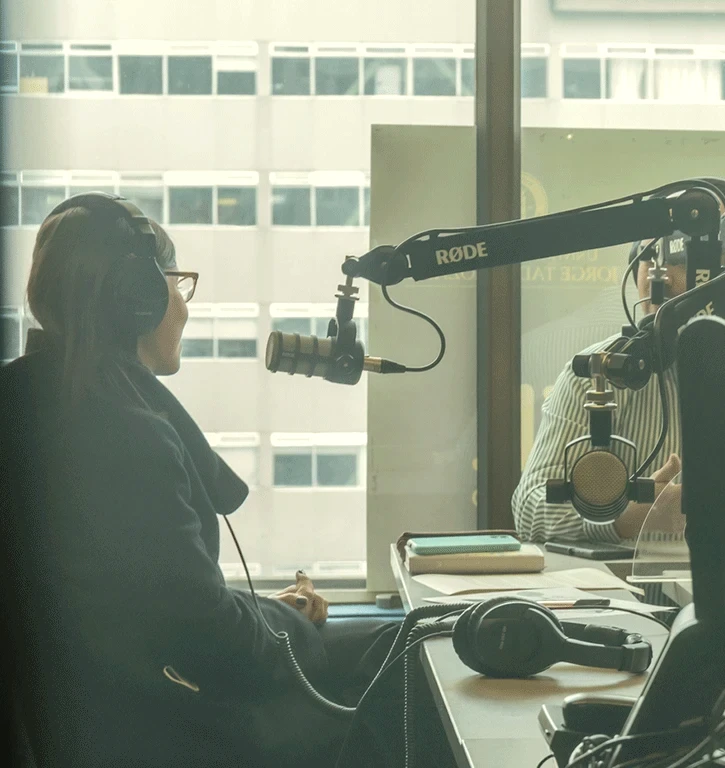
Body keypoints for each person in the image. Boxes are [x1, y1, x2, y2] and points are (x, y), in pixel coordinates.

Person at [0, 194, 442, 768]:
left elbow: (147, 594)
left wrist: (262, 613)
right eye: (175, 285)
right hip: (162, 732)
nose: (183, 308)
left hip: (92, 718)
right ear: (136, 298)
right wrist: (285, 622)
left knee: (399, 640)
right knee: (418, 654)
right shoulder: (123, 437)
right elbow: (213, 646)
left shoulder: (29, 401)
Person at [512, 240, 686, 544]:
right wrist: (624, 520)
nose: (662, 277)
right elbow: (530, 508)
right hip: (632, 592)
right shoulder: (595, 372)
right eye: (649, 258)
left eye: (682, 259)